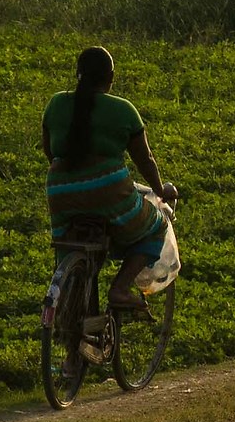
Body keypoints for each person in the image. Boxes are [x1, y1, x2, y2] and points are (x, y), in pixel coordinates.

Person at [42, 46, 177, 315]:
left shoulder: (56, 103)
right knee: (157, 226)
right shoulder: (123, 109)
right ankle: (120, 288)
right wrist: (160, 190)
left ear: (78, 74)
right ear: (111, 77)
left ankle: (70, 341)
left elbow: (49, 150)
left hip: (60, 191)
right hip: (109, 191)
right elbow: (145, 159)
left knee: (70, 248)